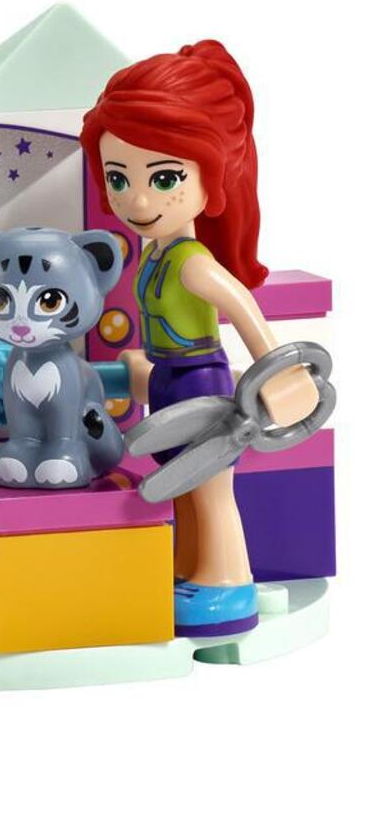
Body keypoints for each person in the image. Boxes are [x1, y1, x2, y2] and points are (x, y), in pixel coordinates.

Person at [80, 42, 317, 636]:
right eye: (118, 178)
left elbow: (242, 308)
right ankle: (190, 572)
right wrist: (145, 364)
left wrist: (282, 373)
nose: (138, 200)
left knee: (211, 489)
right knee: (182, 487)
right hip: (169, 380)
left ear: (211, 180)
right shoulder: (154, 255)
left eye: (164, 179)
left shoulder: (192, 261)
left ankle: (228, 584)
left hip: (201, 385)